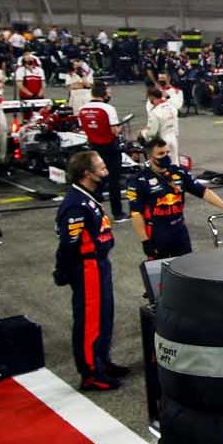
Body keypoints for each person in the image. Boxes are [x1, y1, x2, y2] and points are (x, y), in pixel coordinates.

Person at [53, 150, 124, 392]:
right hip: (87, 267)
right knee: (90, 321)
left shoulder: (89, 197)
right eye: (101, 167)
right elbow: (68, 244)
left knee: (105, 315)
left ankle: (102, 361)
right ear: (87, 173)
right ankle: (91, 372)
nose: (106, 170)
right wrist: (63, 271)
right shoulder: (75, 204)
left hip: (100, 263)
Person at [76, 83, 125, 220]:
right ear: (103, 94)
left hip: (94, 148)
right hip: (110, 147)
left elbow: (82, 127)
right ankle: (118, 213)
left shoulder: (83, 109)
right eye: (108, 92)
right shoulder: (108, 108)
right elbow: (114, 130)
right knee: (114, 181)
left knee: (96, 181)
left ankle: (95, 212)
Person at [141, 86, 180, 164]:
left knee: (163, 163)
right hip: (173, 138)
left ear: (151, 97)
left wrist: (143, 132)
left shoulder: (155, 112)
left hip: (162, 140)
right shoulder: (172, 107)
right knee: (175, 161)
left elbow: (152, 133)